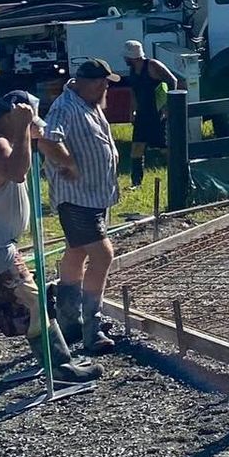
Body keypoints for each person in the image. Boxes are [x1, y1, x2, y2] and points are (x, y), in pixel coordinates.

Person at [0, 91, 99, 404]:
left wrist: (55, 154)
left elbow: (38, 141)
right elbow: (17, 172)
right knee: (35, 305)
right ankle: (61, 366)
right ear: (9, 117)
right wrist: (21, 130)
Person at [43, 60, 123, 355]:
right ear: (85, 82)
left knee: (76, 253)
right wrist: (68, 164)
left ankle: (69, 321)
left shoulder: (88, 104)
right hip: (77, 197)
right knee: (103, 255)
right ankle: (93, 327)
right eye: (102, 83)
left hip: (92, 196)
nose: (106, 88)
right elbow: (49, 140)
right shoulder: (66, 106)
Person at [121, 40, 178, 189]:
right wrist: (131, 111)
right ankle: (136, 183)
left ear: (132, 57)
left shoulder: (152, 65)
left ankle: (179, 176)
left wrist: (168, 105)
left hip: (157, 113)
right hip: (142, 114)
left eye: (126, 57)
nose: (124, 59)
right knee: (136, 148)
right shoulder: (133, 70)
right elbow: (133, 91)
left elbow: (173, 81)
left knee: (164, 148)